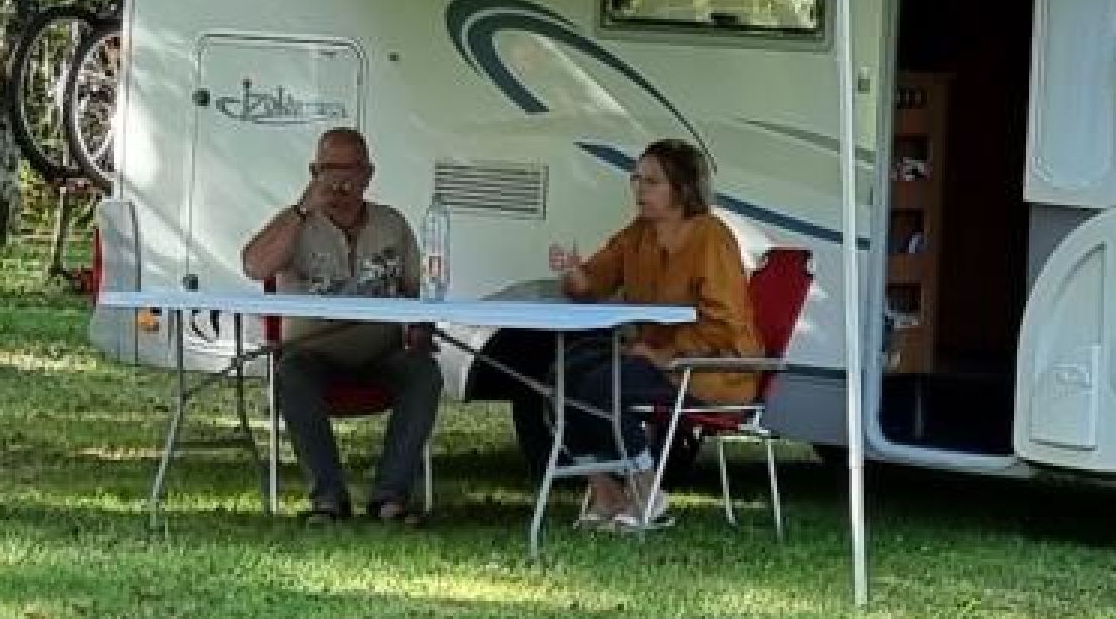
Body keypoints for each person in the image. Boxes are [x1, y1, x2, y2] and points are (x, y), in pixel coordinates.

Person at [480, 136, 756, 531]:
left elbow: (725, 324)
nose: (640, 190)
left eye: (652, 181)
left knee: (600, 387)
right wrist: (573, 273)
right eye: (636, 180)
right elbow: (591, 285)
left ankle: (647, 491)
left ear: (682, 188)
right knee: (561, 378)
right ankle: (607, 492)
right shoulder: (638, 234)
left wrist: (665, 355)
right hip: (655, 359)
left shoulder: (710, 237)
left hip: (713, 369)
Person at [237, 126, 440, 524]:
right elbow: (254, 265)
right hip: (313, 353)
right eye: (330, 169)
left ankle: (391, 498)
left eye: (352, 169)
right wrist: (300, 210)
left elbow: (419, 291)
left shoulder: (392, 224)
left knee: (424, 374)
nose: (341, 180)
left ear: (369, 174)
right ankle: (328, 498)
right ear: (314, 172)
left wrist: (421, 328)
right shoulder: (296, 224)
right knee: (291, 374)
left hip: (382, 352)